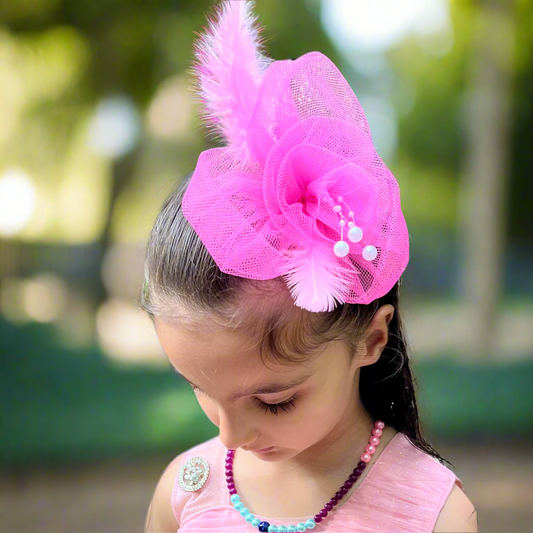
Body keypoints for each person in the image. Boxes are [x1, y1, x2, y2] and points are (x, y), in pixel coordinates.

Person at [141, 1, 478, 531]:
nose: (230, 437)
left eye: (274, 401)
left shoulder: (430, 514)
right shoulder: (186, 491)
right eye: (200, 388)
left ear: (370, 339)